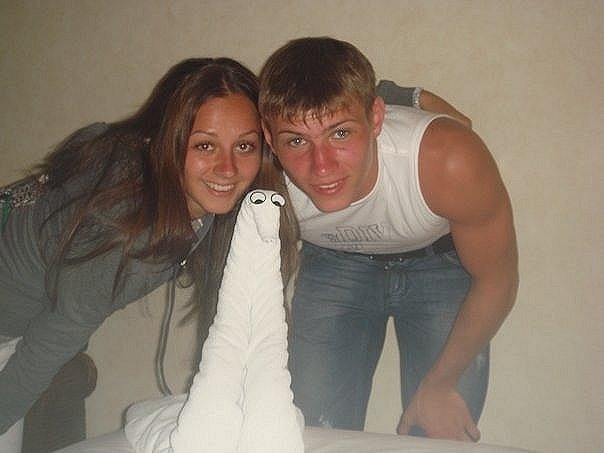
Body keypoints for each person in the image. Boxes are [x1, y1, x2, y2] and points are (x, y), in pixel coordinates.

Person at [0, 57, 299, 450]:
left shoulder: (160, 174)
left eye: (244, 146)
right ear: (165, 141)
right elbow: (50, 342)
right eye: (204, 145)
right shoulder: (123, 222)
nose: (227, 168)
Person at [258, 37, 518, 442]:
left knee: (439, 431)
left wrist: (440, 386)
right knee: (313, 432)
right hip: (334, 263)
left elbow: (497, 280)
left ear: (376, 117)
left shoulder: (446, 159)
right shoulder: (256, 179)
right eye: (296, 141)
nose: (321, 166)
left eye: (340, 134)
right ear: (269, 139)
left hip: (440, 264)